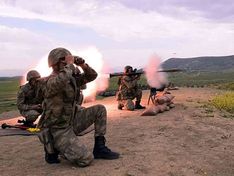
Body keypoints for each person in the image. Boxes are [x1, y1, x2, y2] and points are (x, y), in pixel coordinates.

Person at [38, 47, 119, 166]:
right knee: (85, 158)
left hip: (72, 122)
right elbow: (59, 82)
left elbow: (92, 76)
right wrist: (70, 65)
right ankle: (54, 147)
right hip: (58, 129)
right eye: (63, 60)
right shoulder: (45, 82)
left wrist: (82, 65)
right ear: (54, 63)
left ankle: (99, 148)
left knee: (99, 109)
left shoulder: (70, 79)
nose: (66, 62)